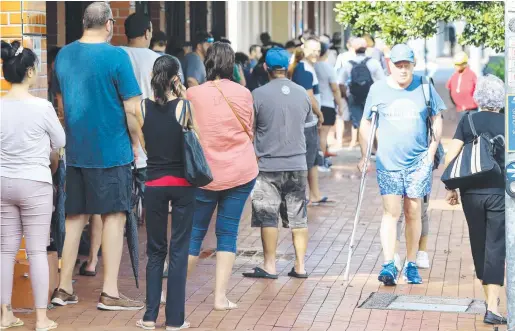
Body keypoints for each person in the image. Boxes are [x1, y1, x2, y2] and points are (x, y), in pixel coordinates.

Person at [51, 2, 145, 310]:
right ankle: (110, 292)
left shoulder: (63, 55)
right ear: (108, 24)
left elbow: (61, 104)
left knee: (74, 217)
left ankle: (64, 288)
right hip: (112, 151)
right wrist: (138, 143)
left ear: (83, 23)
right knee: (114, 217)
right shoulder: (116, 56)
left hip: (76, 151)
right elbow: (132, 109)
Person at [359, 44, 445, 286]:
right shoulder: (378, 89)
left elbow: (437, 119)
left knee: (414, 211)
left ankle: (410, 263)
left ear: (413, 64)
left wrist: (431, 152)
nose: (403, 69)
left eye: (407, 64)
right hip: (388, 161)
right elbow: (366, 124)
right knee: (391, 211)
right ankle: (388, 263)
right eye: (398, 65)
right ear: (390, 65)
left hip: (419, 162)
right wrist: (364, 154)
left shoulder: (424, 85)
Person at [186, 42, 258, 311]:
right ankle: (220, 298)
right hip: (240, 171)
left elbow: (188, 130)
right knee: (227, 234)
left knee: (194, 234)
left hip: (204, 174)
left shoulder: (193, 94)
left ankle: (172, 294)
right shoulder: (243, 93)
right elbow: (249, 127)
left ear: (208, 64)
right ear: (231, 65)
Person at [1, 40, 65, 331]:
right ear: (29, 72)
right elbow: (60, 142)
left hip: (3, 182)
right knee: (37, 250)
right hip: (35, 183)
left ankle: (5, 315)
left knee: (5, 250)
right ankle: (41, 319)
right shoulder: (42, 107)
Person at [243, 48, 311, 280]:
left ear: (266, 68)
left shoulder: (257, 95)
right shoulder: (302, 92)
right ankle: (300, 266)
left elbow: (250, 128)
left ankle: (270, 265)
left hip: (267, 165)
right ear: (287, 68)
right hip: (297, 163)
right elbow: (307, 121)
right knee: (298, 217)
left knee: (267, 216)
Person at [136, 55, 194, 331]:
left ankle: (149, 316)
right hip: (183, 184)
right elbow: (196, 141)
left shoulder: (141, 108)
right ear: (175, 78)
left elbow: (145, 146)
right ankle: (175, 320)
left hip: (155, 184)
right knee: (179, 250)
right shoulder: (184, 106)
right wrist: (182, 94)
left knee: (155, 251)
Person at [445, 75, 506, 325]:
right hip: (499, 193)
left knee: (479, 244)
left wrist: (451, 187)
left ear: (478, 96)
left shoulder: (468, 120)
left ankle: (490, 301)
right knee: (496, 246)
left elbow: (452, 152)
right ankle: (492, 305)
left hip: (471, 194)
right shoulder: (508, 123)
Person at [289, 38, 328, 205]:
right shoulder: (304, 69)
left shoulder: (305, 67)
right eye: (313, 50)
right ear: (304, 50)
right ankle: (304, 195)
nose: (316, 53)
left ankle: (315, 194)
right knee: (307, 159)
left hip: (307, 121)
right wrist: (319, 113)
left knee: (312, 159)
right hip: (307, 121)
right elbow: (308, 95)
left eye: (318, 50)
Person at [339, 38, 385, 151]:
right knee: (374, 122)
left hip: (354, 97)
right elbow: (382, 81)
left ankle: (364, 151)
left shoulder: (347, 64)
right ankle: (376, 149)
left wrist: (346, 96)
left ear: (354, 50)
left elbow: (340, 83)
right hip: (372, 97)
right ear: (366, 49)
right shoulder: (374, 62)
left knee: (360, 124)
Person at [315, 42, 343, 158]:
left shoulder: (312, 66)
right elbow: (335, 89)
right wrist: (340, 105)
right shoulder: (327, 67)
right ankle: (321, 161)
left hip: (314, 103)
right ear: (326, 52)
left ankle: (321, 157)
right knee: (323, 135)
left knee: (317, 134)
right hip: (327, 104)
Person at [446, 52, 478, 118]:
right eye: (456, 64)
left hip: (472, 109)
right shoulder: (454, 76)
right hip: (460, 109)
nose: (457, 67)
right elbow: (450, 90)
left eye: (459, 64)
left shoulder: (471, 75)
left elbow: (477, 90)